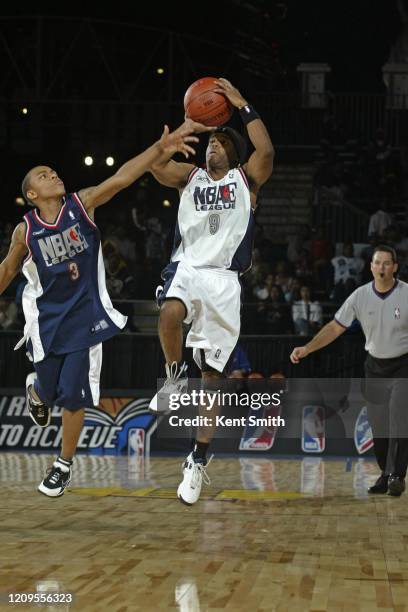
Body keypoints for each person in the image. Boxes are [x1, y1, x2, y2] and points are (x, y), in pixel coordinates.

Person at [1, 119, 210, 498]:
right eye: (45, 176)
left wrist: (159, 150)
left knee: (74, 396)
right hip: (47, 322)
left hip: (86, 320)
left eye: (53, 171)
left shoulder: (82, 205)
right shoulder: (25, 230)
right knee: (49, 392)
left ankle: (62, 466)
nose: (54, 175)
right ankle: (36, 390)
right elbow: (7, 270)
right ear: (33, 193)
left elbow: (122, 177)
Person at [149, 78, 274, 505]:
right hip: (188, 266)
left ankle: (198, 458)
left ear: (233, 151)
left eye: (220, 143)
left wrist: (242, 104)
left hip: (224, 279)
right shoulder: (191, 177)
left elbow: (268, 152)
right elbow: (155, 168)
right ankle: (171, 376)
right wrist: (177, 135)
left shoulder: (247, 180)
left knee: (212, 377)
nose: (212, 148)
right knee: (168, 312)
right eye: (210, 142)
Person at [290, 245, 408, 497]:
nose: (382, 268)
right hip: (375, 366)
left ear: (395, 267)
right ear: (371, 266)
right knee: (379, 428)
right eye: (377, 263)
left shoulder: (406, 294)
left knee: (399, 418)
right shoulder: (359, 296)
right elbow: (335, 327)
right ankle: (386, 474)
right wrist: (308, 348)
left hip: (402, 366)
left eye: (387, 263)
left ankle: (398, 475)